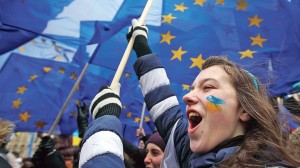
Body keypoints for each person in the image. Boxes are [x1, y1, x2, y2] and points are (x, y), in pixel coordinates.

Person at [127, 18, 300, 167]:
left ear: (244, 110)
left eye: (208, 87)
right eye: (191, 89)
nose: (187, 97)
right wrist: (142, 49)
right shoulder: (186, 152)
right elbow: (163, 101)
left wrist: (106, 134)